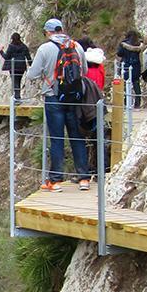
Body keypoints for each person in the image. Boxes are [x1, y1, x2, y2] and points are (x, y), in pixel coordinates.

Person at [25, 18, 91, 191]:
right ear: (61, 29)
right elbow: (84, 71)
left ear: (48, 32)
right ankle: (84, 178)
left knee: (57, 139)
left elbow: (32, 75)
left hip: (54, 97)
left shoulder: (45, 48)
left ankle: (55, 181)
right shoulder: (76, 46)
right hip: (74, 97)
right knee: (76, 136)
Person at [0, 32, 32, 102]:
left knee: (15, 82)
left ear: (12, 39)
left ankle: (17, 97)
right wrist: (32, 66)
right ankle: (18, 97)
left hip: (13, 67)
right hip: (21, 67)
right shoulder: (24, 46)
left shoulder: (11, 47)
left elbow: (6, 57)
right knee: (18, 81)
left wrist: (1, 51)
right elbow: (28, 57)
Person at [117, 30, 143, 107]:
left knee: (125, 84)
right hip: (136, 66)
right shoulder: (138, 44)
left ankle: (126, 102)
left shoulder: (123, 44)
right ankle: (137, 103)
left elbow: (119, 53)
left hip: (126, 66)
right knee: (136, 84)